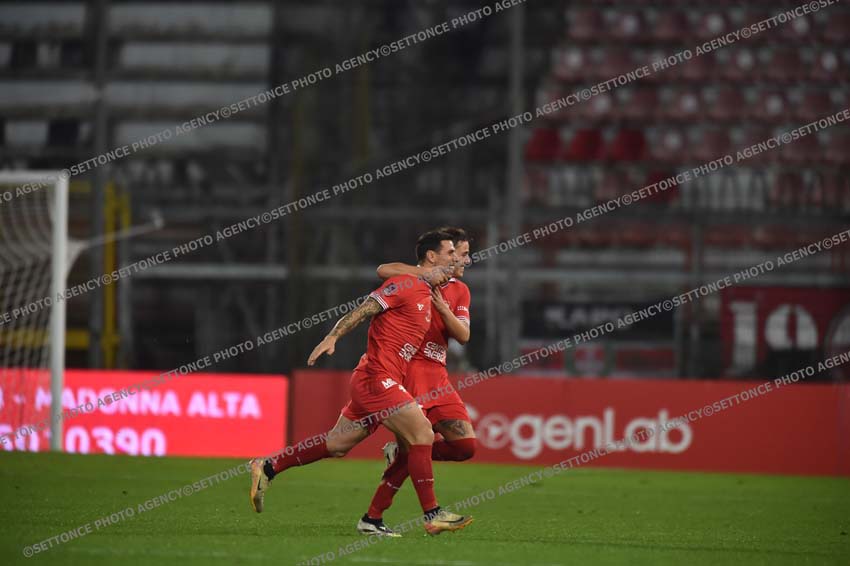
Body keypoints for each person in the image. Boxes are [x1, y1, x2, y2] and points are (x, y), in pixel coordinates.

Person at [249, 230, 473, 536]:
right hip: (376, 378)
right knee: (421, 431)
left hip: (379, 379)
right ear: (432, 257)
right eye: (451, 253)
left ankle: (269, 466)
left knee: (337, 444)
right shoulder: (407, 284)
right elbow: (365, 308)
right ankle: (432, 514)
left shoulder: (430, 292)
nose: (458, 259)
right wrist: (332, 336)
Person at [358, 227, 476, 536]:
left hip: (439, 376)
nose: (465, 260)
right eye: (460, 254)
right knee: (413, 446)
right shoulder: (414, 279)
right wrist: (425, 274)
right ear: (441, 256)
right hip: (409, 372)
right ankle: (376, 517)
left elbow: (463, 335)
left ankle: (400, 464)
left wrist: (442, 309)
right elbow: (383, 270)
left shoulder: (460, 291)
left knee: (465, 446)